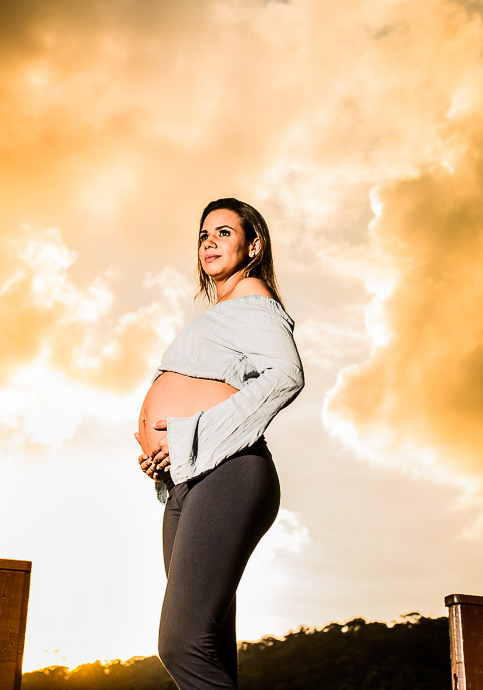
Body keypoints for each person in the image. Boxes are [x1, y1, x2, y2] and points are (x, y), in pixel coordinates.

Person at [136, 197, 304, 690]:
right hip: (185, 482)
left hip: (228, 475)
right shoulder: (223, 312)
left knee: (181, 644)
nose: (209, 241)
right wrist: (164, 452)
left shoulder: (255, 300)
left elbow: (286, 376)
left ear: (254, 245)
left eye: (225, 233)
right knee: (206, 645)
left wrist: (192, 434)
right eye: (204, 234)